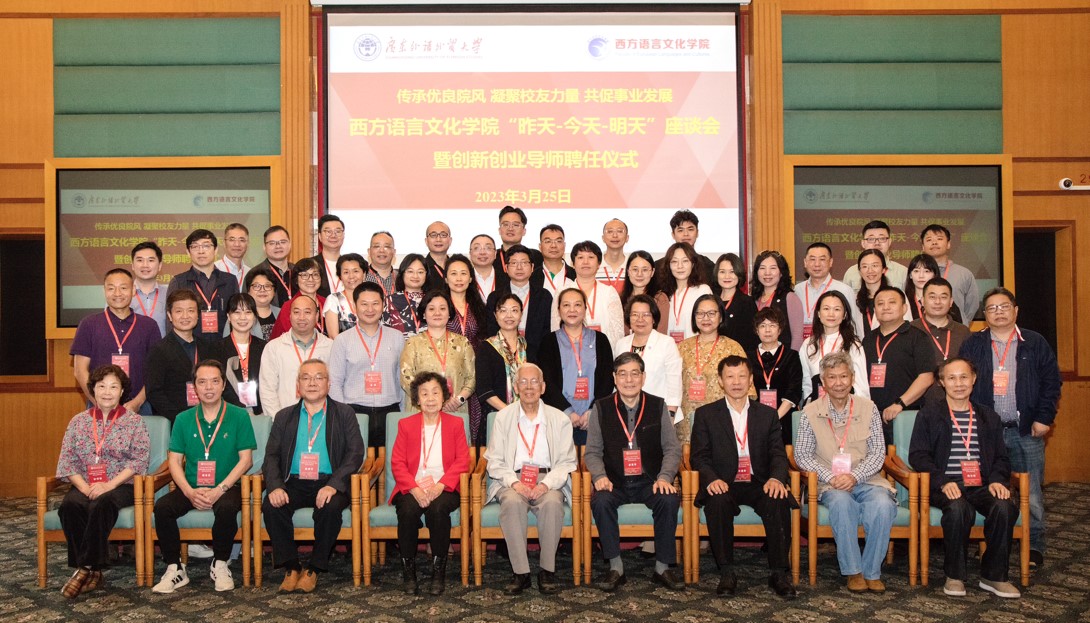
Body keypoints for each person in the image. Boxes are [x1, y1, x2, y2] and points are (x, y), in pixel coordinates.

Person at [959, 287, 1061, 569]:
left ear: (1015, 311)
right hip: (985, 433)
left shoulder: (1034, 342)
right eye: (992, 308)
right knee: (986, 488)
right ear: (985, 314)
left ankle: (1035, 545)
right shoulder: (974, 344)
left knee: (1032, 493)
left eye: (1004, 306)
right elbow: (962, 383)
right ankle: (990, 542)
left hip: (1024, 430)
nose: (999, 312)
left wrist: (1044, 417)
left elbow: (1051, 382)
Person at [908, 358, 1021, 599]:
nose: (958, 384)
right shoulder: (929, 414)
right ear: (942, 382)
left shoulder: (988, 416)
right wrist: (942, 481)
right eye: (951, 378)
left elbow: (1001, 457)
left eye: (963, 377)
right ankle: (955, 575)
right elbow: (918, 455)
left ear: (973, 379)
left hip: (981, 484)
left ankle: (994, 575)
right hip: (945, 484)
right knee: (959, 508)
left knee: (1005, 506)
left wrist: (997, 480)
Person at [691, 355, 797, 598]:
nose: (736, 382)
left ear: (751, 380)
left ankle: (779, 573)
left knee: (778, 499)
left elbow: (778, 454)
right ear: (720, 381)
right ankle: (727, 571)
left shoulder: (767, 414)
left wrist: (777, 478)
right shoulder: (706, 414)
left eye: (742, 376)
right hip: (723, 481)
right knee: (717, 501)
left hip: (759, 481)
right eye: (730, 376)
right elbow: (699, 456)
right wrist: (711, 479)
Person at [794, 351, 896, 593]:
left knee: (883, 504)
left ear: (852, 378)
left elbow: (878, 452)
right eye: (832, 377)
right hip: (829, 484)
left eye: (843, 376)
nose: (838, 383)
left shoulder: (869, 408)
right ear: (823, 382)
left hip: (867, 479)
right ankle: (853, 571)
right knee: (842, 503)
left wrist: (854, 476)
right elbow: (802, 455)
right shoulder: (810, 412)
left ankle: (872, 571)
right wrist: (831, 476)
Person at [152, 360, 256, 594]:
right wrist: (189, 492)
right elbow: (174, 462)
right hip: (192, 487)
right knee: (163, 507)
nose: (209, 387)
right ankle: (174, 567)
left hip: (227, 487)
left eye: (215, 381)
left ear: (223, 385)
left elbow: (246, 460)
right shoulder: (183, 418)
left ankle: (220, 563)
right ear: (195, 387)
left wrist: (220, 489)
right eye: (202, 382)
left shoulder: (239, 415)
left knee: (227, 507)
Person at [262, 359, 365, 593]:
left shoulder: (344, 413)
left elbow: (355, 453)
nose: (312, 383)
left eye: (319, 377)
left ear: (328, 384)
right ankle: (291, 566)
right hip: (293, 482)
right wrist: (275, 486)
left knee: (330, 507)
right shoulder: (284, 416)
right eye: (306, 378)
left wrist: (333, 485)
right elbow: (271, 456)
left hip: (330, 481)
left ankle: (315, 568)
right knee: (271, 505)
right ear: (298, 385)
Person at [584, 352, 684, 592]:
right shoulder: (601, 407)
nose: (629, 380)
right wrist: (599, 476)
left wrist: (665, 477)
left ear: (643, 377)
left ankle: (662, 567)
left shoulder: (658, 405)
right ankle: (615, 567)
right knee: (601, 502)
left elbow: (672, 449)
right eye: (622, 374)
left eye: (634, 374)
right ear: (614, 378)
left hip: (649, 480)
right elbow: (592, 452)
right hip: (615, 482)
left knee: (669, 499)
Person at [55, 365, 150, 598]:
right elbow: (67, 461)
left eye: (113, 387)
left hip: (121, 485)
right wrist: (84, 487)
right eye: (102, 386)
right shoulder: (78, 421)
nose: (107, 392)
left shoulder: (134, 422)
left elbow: (139, 461)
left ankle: (84, 567)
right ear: (93, 390)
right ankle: (94, 570)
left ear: (122, 392)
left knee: (102, 503)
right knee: (70, 505)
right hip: (85, 483)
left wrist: (109, 485)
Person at [484, 363, 578, 595]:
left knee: (553, 503)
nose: (529, 387)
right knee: (512, 502)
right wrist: (515, 483)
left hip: (549, 478)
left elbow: (567, 462)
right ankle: (521, 573)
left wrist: (545, 484)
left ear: (543, 387)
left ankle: (547, 571)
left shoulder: (559, 419)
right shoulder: (503, 417)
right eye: (523, 382)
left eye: (534, 381)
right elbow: (494, 461)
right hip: (512, 479)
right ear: (516, 387)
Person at [390, 371, 472, 596]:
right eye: (424, 394)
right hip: (412, 486)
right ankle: (409, 573)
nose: (430, 398)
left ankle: (438, 573)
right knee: (407, 510)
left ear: (444, 396)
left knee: (438, 509)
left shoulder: (455, 424)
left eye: (435, 392)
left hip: (445, 487)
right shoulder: (406, 425)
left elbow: (463, 460)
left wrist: (440, 486)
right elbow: (397, 462)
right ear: (417, 399)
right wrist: (415, 489)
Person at [71, 268, 160, 415]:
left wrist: (137, 402)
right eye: (111, 288)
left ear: (133, 290)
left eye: (123, 288)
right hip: (98, 406)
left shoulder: (149, 326)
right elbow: (80, 370)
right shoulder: (88, 324)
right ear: (104, 291)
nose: (117, 293)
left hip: (139, 406)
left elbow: (156, 371)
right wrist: (99, 402)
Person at [328, 282, 405, 449]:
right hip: (355, 412)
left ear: (383, 305)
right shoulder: (342, 340)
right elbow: (334, 382)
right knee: (357, 461)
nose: (370, 309)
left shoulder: (397, 337)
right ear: (355, 306)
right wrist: (343, 414)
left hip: (390, 412)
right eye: (364, 304)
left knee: (390, 460)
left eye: (375, 303)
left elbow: (402, 380)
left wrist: (403, 413)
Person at [538, 288, 615, 446]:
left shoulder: (600, 340)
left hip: (593, 418)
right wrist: (567, 412)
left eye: (577, 305)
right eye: (566, 305)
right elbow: (547, 382)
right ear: (559, 310)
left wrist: (593, 411)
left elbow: (607, 380)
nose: (572, 310)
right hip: (559, 417)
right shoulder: (548, 342)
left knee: (591, 460)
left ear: (585, 309)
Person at [862, 287, 935, 438]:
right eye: (880, 303)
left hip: (905, 414)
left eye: (892, 302)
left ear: (904, 308)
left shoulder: (918, 337)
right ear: (875, 310)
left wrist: (899, 404)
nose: (886, 307)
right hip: (871, 416)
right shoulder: (868, 339)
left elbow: (926, 377)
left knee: (903, 453)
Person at [398, 290, 476, 421]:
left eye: (442, 308)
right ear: (424, 314)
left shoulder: (463, 343)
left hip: (454, 409)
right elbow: (406, 378)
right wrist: (429, 399)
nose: (437, 313)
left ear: (449, 313)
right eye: (431, 309)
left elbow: (471, 378)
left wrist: (459, 399)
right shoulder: (413, 343)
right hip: (422, 410)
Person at [679, 294, 747, 443]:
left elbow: (745, 389)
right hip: (686, 420)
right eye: (700, 313)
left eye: (711, 313)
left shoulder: (733, 348)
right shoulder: (682, 348)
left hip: (722, 421)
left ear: (721, 317)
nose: (706, 318)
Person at [145, 289, 221, 422]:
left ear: (198, 315)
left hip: (210, 418)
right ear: (169, 315)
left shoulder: (208, 348)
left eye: (191, 311)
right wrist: (181, 419)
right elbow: (154, 392)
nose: (185, 316)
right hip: (177, 422)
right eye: (179, 311)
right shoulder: (159, 350)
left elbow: (220, 383)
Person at [259, 295, 334, 417]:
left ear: (316, 316)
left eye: (307, 312)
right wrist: (279, 421)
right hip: (285, 420)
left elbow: (335, 386)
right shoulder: (274, 348)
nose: (301, 317)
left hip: (323, 418)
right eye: (296, 312)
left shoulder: (330, 347)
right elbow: (267, 390)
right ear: (290, 316)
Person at [444, 254, 489, 443]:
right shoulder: (440, 306)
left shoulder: (479, 307)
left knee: (475, 419)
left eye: (463, 273)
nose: (459, 278)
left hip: (475, 369)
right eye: (453, 273)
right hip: (449, 369)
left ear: (471, 278)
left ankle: (471, 457)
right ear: (446, 278)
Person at [617, 294, 682, 421]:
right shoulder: (621, 344)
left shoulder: (666, 343)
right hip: (626, 413)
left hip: (658, 413)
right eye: (635, 314)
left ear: (654, 319)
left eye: (646, 314)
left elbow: (674, 382)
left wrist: (670, 415)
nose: (640, 319)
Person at [166, 229, 239, 342]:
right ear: (188, 252)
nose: (201, 251)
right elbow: (170, 321)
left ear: (215, 250)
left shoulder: (230, 280)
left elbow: (237, 315)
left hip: (224, 345)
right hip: (190, 345)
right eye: (195, 247)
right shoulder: (179, 281)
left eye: (206, 246)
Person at [484, 244, 552, 361]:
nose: (519, 267)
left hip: (536, 358)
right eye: (514, 263)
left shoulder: (544, 296)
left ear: (532, 267)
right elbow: (491, 331)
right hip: (502, 357)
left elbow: (546, 332)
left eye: (524, 263)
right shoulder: (495, 297)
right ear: (506, 267)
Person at [748, 307, 803, 448]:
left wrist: (774, 418)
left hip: (784, 417)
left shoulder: (791, 356)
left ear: (780, 329)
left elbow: (794, 391)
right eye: (763, 326)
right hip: (755, 419)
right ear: (756, 330)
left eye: (772, 325)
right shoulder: (748, 357)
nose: (767, 330)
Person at [799, 291, 869, 403]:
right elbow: (806, 383)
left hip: (847, 405)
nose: (831, 314)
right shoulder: (808, 344)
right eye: (826, 309)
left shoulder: (853, 344)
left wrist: (860, 409)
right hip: (818, 406)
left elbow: (861, 384)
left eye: (837, 309)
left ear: (844, 315)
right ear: (818, 313)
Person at [912, 277, 971, 405]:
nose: (938, 302)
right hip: (919, 406)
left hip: (957, 404)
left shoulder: (963, 332)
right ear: (922, 301)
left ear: (951, 302)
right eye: (932, 297)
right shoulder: (911, 330)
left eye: (943, 297)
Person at [556, 240, 624, 350]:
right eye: (580, 257)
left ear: (599, 263)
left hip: (603, 352)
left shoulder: (609, 292)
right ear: (573, 263)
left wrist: (605, 353)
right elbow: (556, 327)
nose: (585, 262)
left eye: (591, 257)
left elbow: (617, 332)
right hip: (568, 352)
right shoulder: (562, 291)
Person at [794, 242, 862, 339]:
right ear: (805, 262)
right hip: (803, 345)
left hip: (836, 345)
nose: (817, 264)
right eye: (812, 259)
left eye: (822, 259)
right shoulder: (797, 290)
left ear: (830, 262)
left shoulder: (844, 290)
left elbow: (855, 325)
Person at [476, 294, 528, 414]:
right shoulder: (486, 348)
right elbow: (484, 389)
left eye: (514, 310)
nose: (509, 315)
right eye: (503, 311)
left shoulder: (528, 347)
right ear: (495, 315)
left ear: (521, 314)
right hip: (496, 415)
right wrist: (510, 412)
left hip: (526, 414)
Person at [921, 224, 979, 324]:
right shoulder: (916, 274)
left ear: (948, 244)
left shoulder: (964, 274)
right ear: (922, 247)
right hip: (921, 330)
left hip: (955, 330)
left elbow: (971, 307)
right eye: (929, 240)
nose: (934, 242)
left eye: (939, 239)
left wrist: (960, 323)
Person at [221, 293, 266, 414]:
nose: (243, 317)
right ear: (228, 316)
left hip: (260, 413)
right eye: (237, 312)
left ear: (255, 316)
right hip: (228, 412)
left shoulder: (265, 348)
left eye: (248, 312)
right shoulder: (216, 349)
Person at [752, 250, 805, 350]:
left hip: (784, 356)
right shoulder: (753, 299)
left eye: (773, 268)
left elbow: (797, 336)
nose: (767, 273)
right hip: (757, 356)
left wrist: (791, 357)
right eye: (762, 268)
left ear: (781, 272)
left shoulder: (790, 298)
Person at [662, 242, 713, 343]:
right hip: (669, 350)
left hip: (696, 348)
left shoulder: (703, 290)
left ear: (693, 264)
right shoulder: (664, 295)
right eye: (674, 261)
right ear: (668, 265)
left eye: (685, 261)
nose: (680, 266)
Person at [841, 220, 909, 293]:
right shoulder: (851, 272)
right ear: (863, 243)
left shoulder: (903, 272)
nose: (877, 243)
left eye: (882, 238)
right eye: (871, 239)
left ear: (889, 242)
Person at [270, 258, 327, 339]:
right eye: (304, 275)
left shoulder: (326, 303)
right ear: (296, 279)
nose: (311, 279)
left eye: (315, 274)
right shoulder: (289, 307)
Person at [653, 210, 715, 283]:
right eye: (680, 230)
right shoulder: (658, 266)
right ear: (673, 235)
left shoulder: (707, 265)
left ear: (697, 233)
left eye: (690, 229)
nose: (686, 234)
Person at [713, 253, 758, 352]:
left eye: (732, 272)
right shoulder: (711, 301)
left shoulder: (747, 303)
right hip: (712, 356)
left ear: (739, 274)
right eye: (722, 272)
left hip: (738, 357)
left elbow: (752, 340)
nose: (727, 276)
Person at [619, 250, 668, 334]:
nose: (639, 274)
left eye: (644, 270)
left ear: (652, 272)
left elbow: (661, 333)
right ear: (628, 271)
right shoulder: (619, 299)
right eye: (635, 269)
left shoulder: (660, 298)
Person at [905, 253, 963, 324]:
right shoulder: (904, 300)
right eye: (916, 271)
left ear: (934, 275)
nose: (921, 276)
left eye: (926, 271)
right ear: (910, 275)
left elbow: (957, 326)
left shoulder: (945, 301)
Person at [322, 253, 367, 338]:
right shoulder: (333, 300)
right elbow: (333, 337)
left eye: (355, 271)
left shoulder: (372, 299)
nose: (351, 276)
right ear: (340, 276)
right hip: (342, 346)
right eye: (346, 272)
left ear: (364, 274)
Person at [382, 253, 428, 338]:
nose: (415, 276)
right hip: (399, 346)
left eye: (420, 272)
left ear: (426, 274)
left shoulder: (433, 300)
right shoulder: (390, 301)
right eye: (410, 271)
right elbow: (384, 332)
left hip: (430, 346)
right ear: (402, 273)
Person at [310, 214, 356, 298]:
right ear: (320, 236)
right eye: (328, 231)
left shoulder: (353, 265)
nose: (333, 235)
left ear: (343, 235)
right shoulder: (310, 265)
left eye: (338, 231)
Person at [130, 241, 168, 336]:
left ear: (160, 266)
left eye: (151, 260)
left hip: (162, 345)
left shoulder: (169, 294)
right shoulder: (121, 294)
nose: (145, 265)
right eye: (140, 260)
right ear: (132, 265)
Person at [534, 223, 576, 308]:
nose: (553, 246)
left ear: (564, 245)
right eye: (548, 241)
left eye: (558, 241)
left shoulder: (575, 275)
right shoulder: (532, 277)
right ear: (540, 246)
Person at [495, 205, 543, 275]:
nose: (510, 228)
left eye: (515, 225)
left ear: (524, 231)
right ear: (499, 230)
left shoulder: (536, 256)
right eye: (506, 224)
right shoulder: (492, 257)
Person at [253, 225, 294, 306]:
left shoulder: (298, 272)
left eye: (283, 242)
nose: (278, 246)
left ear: (289, 244)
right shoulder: (255, 274)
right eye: (272, 243)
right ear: (264, 247)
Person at [854, 248, 891, 337]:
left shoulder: (896, 296)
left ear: (884, 269)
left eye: (875, 265)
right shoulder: (854, 299)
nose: (870, 270)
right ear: (859, 271)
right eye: (865, 266)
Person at [243, 267, 280, 341]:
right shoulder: (238, 315)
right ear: (248, 291)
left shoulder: (283, 313)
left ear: (274, 292)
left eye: (267, 286)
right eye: (257, 286)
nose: (262, 290)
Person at [469, 234, 506, 300]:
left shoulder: (507, 278)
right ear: (470, 254)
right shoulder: (464, 279)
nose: (482, 252)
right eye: (476, 248)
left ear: (495, 254)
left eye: (488, 248)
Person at [214, 223, 250, 290]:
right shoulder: (214, 269)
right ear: (224, 243)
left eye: (242, 240)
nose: (237, 244)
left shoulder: (250, 273)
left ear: (247, 244)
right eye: (232, 240)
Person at [597, 218, 629, 293]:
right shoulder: (594, 264)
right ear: (603, 238)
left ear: (627, 238)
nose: (615, 235)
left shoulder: (632, 265)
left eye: (620, 231)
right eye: (610, 231)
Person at [364, 231, 398, 297]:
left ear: (394, 252)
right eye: (377, 246)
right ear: (369, 251)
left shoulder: (402, 278)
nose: (382, 250)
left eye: (387, 246)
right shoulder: (361, 277)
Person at [422, 221, 452, 291]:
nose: (438, 239)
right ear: (426, 241)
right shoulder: (421, 267)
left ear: (450, 241)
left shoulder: (456, 266)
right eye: (433, 235)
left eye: (443, 235)